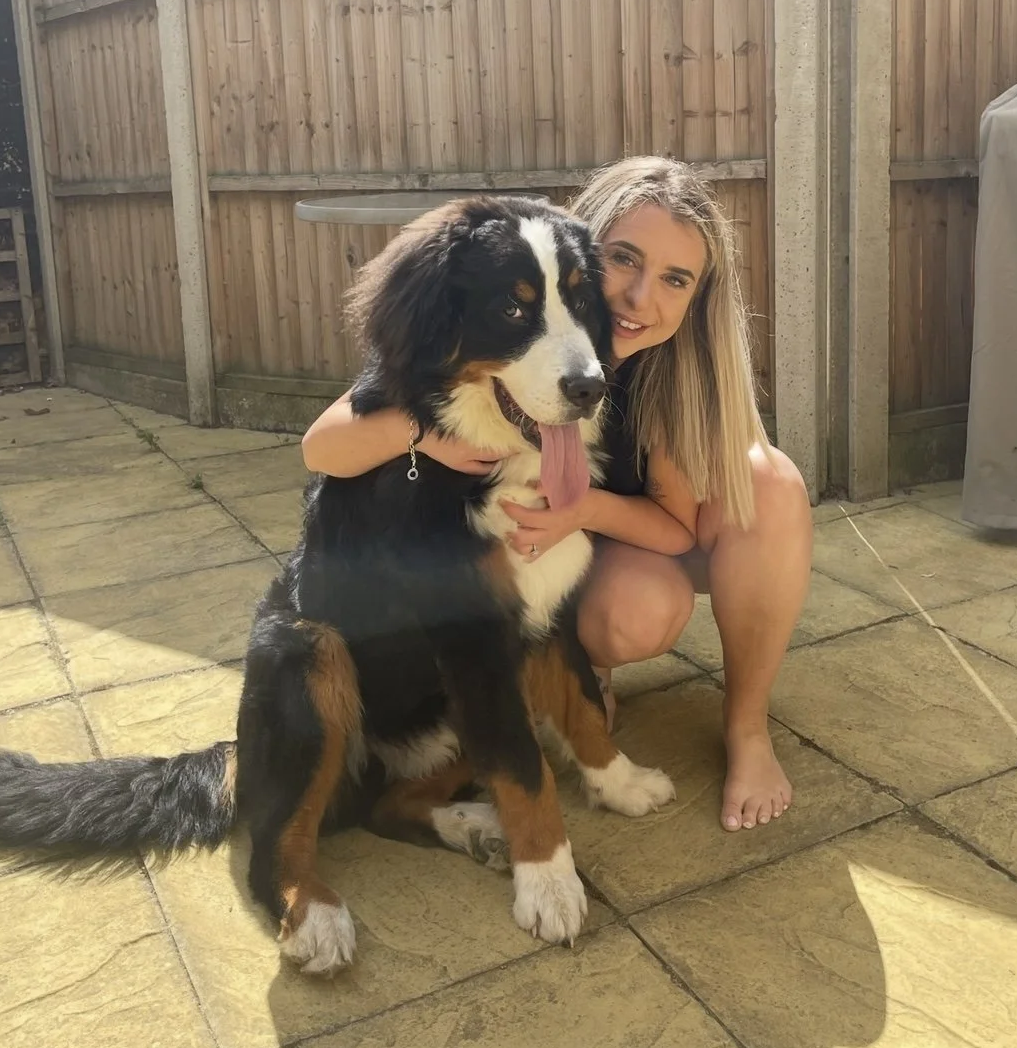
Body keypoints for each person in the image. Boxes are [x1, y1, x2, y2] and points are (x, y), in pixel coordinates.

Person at [301, 157, 813, 831]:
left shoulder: (672, 368)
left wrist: (584, 508)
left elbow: (677, 530)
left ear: (696, 298)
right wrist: (429, 435)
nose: (638, 297)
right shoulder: (477, 323)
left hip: (596, 544)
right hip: (487, 574)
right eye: (624, 260)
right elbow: (322, 446)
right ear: (582, 245)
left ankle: (744, 728)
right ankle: (563, 691)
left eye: (675, 279)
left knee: (766, 486)